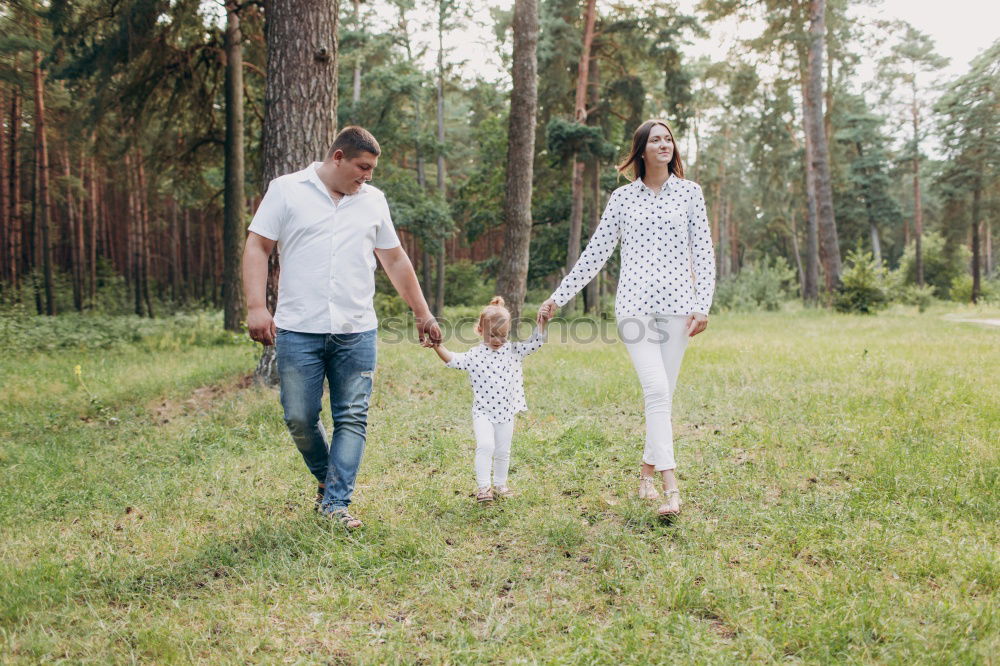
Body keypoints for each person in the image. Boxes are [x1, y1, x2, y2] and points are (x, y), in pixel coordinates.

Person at [242, 126, 441, 529]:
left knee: (351, 417)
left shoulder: (373, 201)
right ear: (337, 157)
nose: (367, 176)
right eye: (362, 167)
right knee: (299, 416)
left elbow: (396, 260)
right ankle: (326, 479)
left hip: (356, 329)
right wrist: (255, 307)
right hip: (299, 328)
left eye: (371, 169)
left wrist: (423, 313)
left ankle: (336, 504)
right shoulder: (286, 189)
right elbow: (257, 246)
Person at [537, 119, 715, 518]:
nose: (664, 144)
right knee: (655, 389)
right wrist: (558, 297)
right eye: (655, 140)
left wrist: (703, 303)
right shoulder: (622, 199)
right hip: (634, 308)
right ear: (641, 150)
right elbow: (595, 254)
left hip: (677, 309)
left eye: (668, 139)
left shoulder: (690, 194)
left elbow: (703, 252)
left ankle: (645, 476)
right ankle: (671, 487)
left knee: (662, 396)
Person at [426, 297, 547, 503]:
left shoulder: (513, 351)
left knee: (502, 451)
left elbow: (536, 343)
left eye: (503, 335)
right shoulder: (475, 355)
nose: (498, 341)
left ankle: (500, 485)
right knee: (485, 446)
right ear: (480, 329)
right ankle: (484, 488)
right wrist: (437, 346)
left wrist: (542, 323)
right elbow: (453, 360)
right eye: (493, 335)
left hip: (506, 412)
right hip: (483, 412)